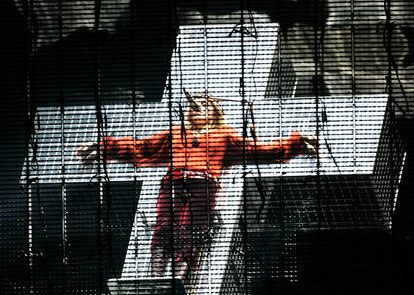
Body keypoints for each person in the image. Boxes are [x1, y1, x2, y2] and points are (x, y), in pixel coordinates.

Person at [75, 92, 318, 281]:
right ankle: (155, 279)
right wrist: (102, 148)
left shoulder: (225, 135)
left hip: (204, 184)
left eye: (204, 105)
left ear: (215, 113)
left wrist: (296, 144)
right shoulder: (176, 133)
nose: (197, 108)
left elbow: (261, 151)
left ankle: (178, 280)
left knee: (190, 232)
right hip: (173, 182)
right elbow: (141, 148)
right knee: (164, 229)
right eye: (194, 106)